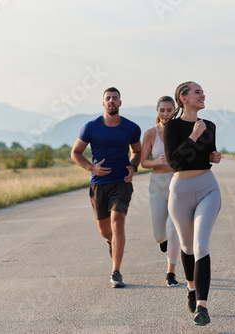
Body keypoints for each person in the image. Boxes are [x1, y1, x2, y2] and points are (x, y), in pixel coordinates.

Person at [71, 87, 141, 289]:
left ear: (120, 103)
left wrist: (133, 167)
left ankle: (116, 271)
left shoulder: (131, 128)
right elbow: (76, 153)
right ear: (103, 103)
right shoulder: (90, 127)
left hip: (121, 182)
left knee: (117, 221)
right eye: (108, 98)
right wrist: (90, 167)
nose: (111, 101)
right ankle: (113, 242)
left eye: (115, 98)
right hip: (98, 185)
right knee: (105, 231)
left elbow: (136, 151)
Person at [164, 81, 222, 326]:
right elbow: (174, 162)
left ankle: (202, 306)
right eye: (197, 92)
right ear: (183, 98)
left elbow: (209, 152)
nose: (202, 95)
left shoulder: (210, 125)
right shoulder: (172, 126)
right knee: (187, 247)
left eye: (202, 92)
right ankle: (190, 287)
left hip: (208, 188)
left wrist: (214, 156)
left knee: (200, 245)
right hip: (180, 191)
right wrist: (193, 136)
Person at [140, 95, 181, 287]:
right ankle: (162, 240)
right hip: (157, 184)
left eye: (169, 110)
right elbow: (143, 162)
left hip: (176, 183)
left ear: (175, 111)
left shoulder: (181, 131)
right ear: (157, 112)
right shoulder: (150, 134)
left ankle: (170, 273)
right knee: (159, 234)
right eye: (162, 110)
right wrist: (156, 162)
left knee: (173, 229)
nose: (165, 114)